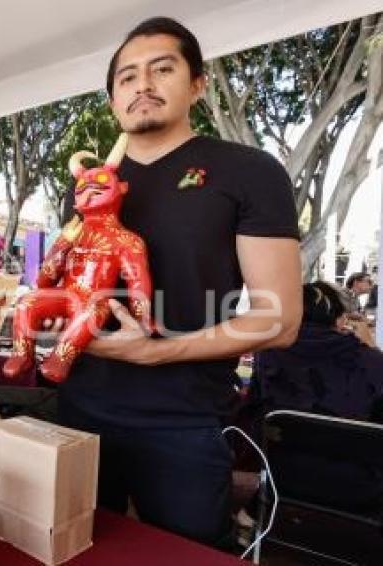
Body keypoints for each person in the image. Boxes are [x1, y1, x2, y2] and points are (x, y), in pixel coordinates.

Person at [57, 17, 302, 547]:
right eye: (126, 77)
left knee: (185, 554)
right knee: (72, 548)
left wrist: (155, 352)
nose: (142, 84)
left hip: (182, 423)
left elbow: (280, 320)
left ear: (197, 85)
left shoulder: (249, 172)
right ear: (112, 100)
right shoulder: (91, 186)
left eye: (162, 69)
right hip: (77, 411)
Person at [253, 281, 383, 422]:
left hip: (277, 434)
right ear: (340, 319)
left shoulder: (269, 350)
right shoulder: (364, 356)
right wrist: (371, 347)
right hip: (350, 435)